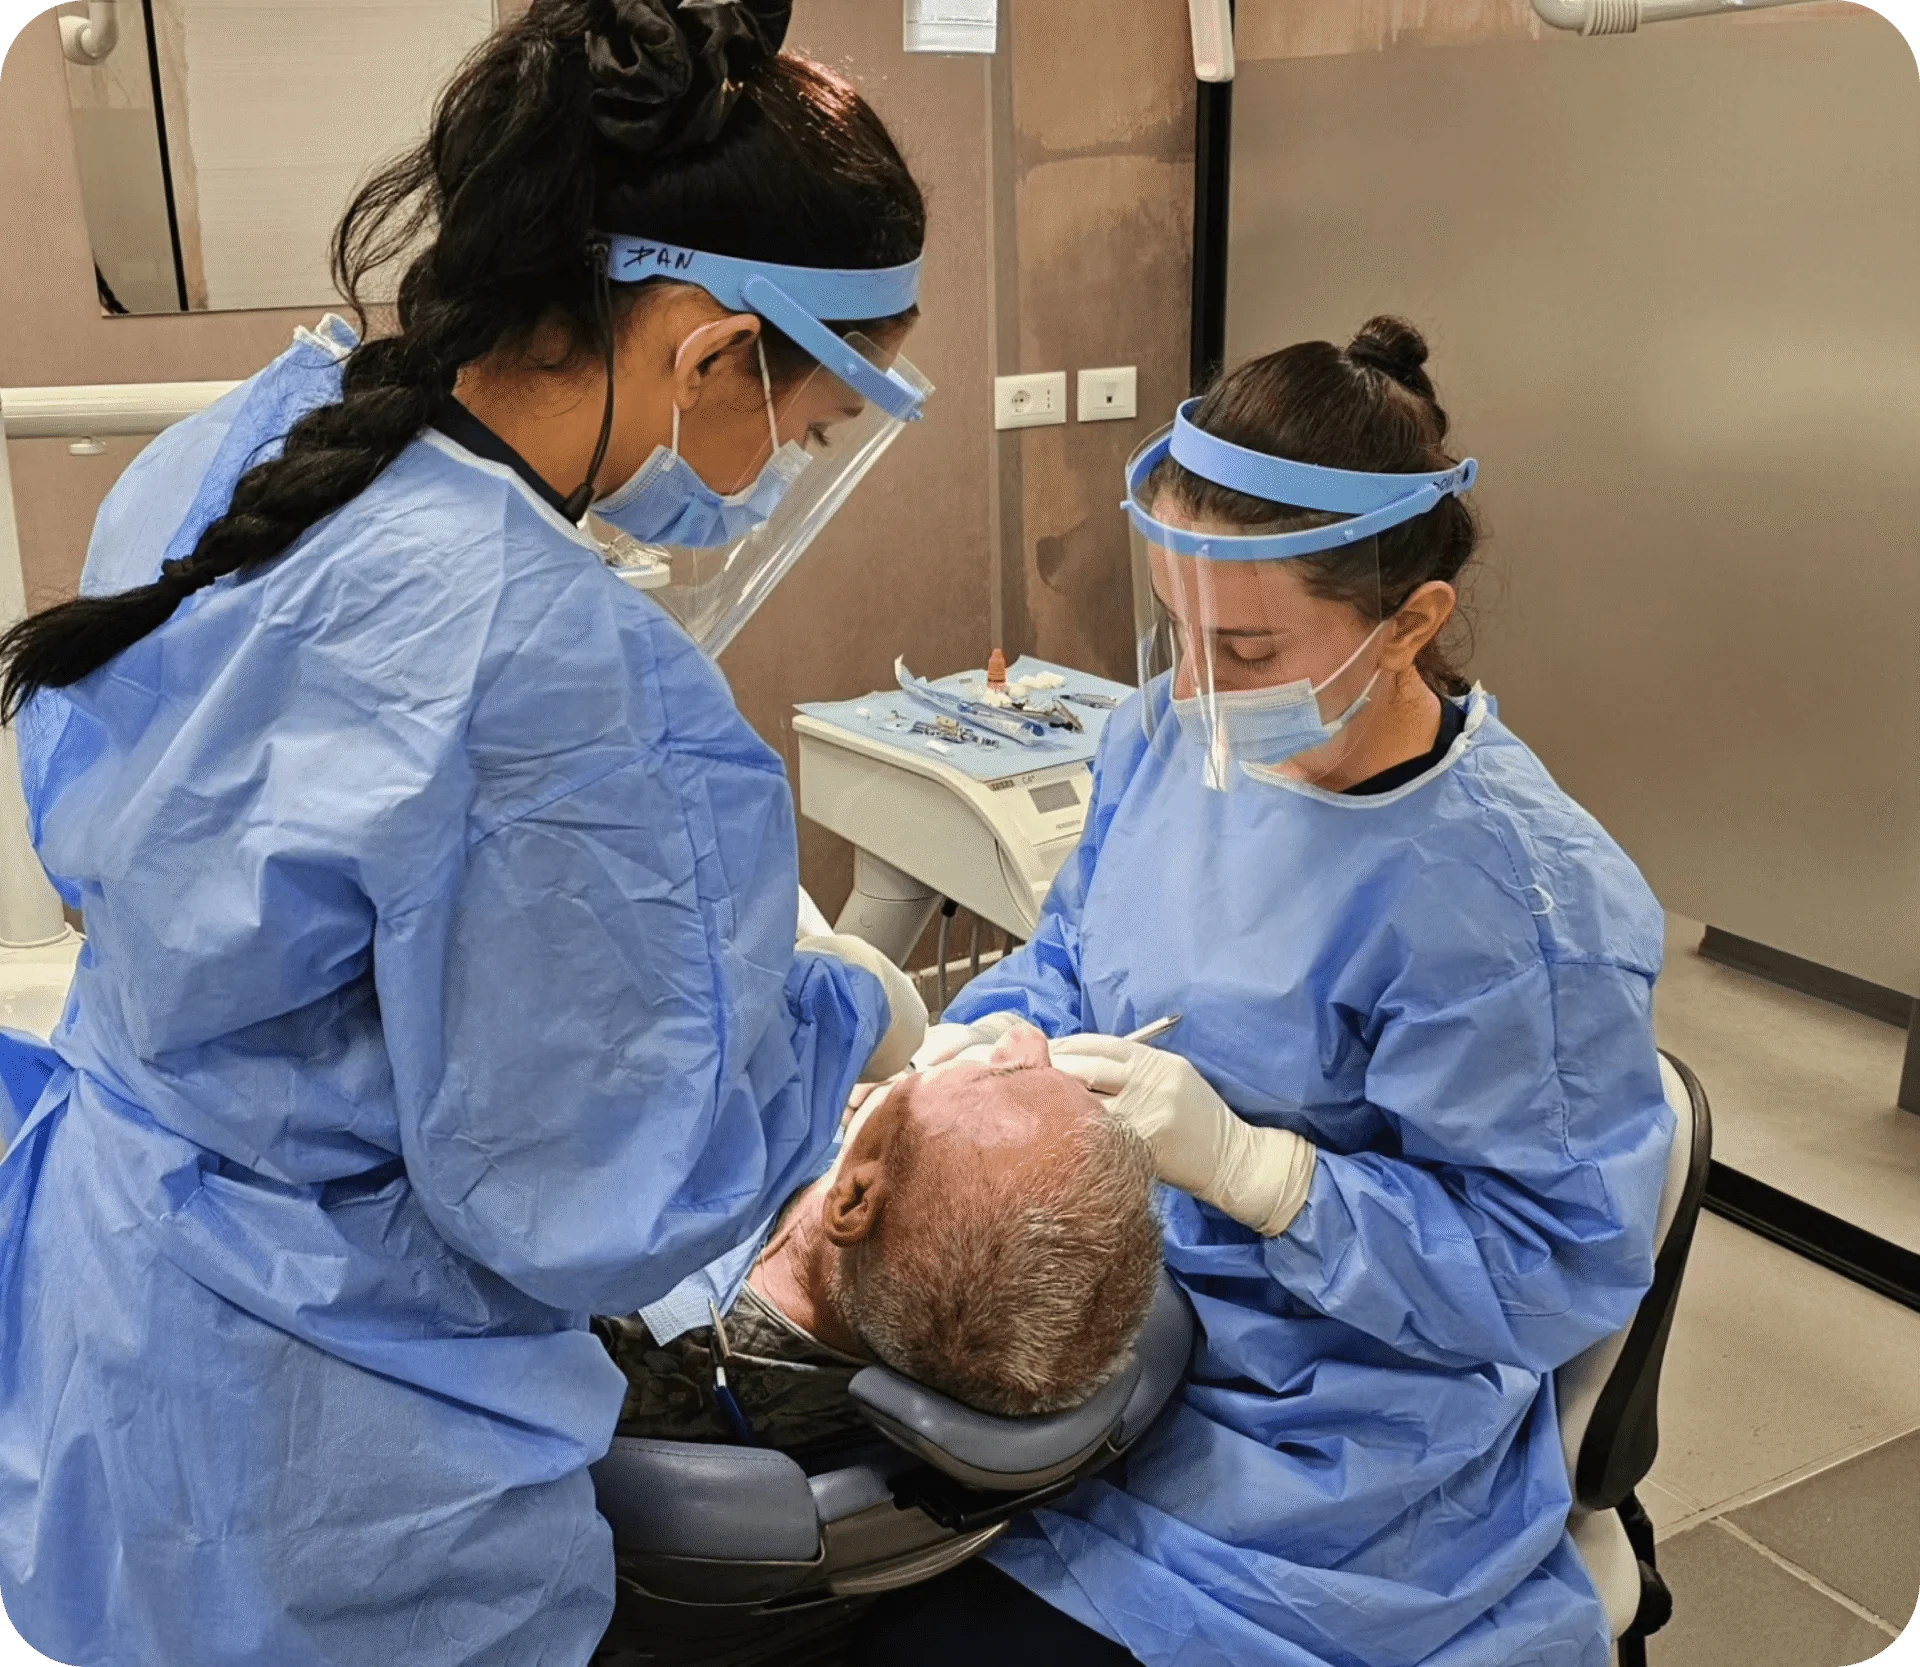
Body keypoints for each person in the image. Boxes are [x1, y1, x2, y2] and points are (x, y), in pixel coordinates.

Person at [0, 4, 935, 1665]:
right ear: (712, 351)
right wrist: (839, 1015)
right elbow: (596, 1199)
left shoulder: (248, 440)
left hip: (117, 1315)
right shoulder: (565, 676)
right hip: (338, 1451)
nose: (776, 472)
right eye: (797, 435)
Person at [853, 319, 1676, 1667]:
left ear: (1412, 621)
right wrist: (988, 1031)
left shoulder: (1514, 907)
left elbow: (1556, 1269)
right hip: (1112, 1309)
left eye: (1245, 651)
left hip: (1319, 1426)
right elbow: (1074, 945)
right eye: (1176, 628)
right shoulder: (1171, 730)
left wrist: (1267, 1174)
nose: (1191, 686)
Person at [594, 1021, 1163, 1449]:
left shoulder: (630, 1330)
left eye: (1004, 1075)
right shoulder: (897, 1300)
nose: (1026, 1039)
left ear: (855, 1201)